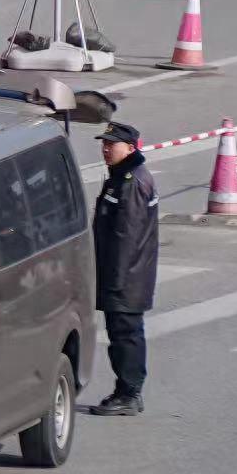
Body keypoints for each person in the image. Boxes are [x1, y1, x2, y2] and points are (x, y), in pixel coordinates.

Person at [91, 122, 159, 418]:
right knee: (123, 335)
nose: (106, 149)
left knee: (125, 336)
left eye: (112, 144)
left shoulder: (131, 182)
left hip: (126, 277)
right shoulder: (121, 176)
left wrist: (114, 281)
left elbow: (126, 237)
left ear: (131, 148)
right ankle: (127, 391)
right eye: (104, 143)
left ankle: (129, 394)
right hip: (125, 275)